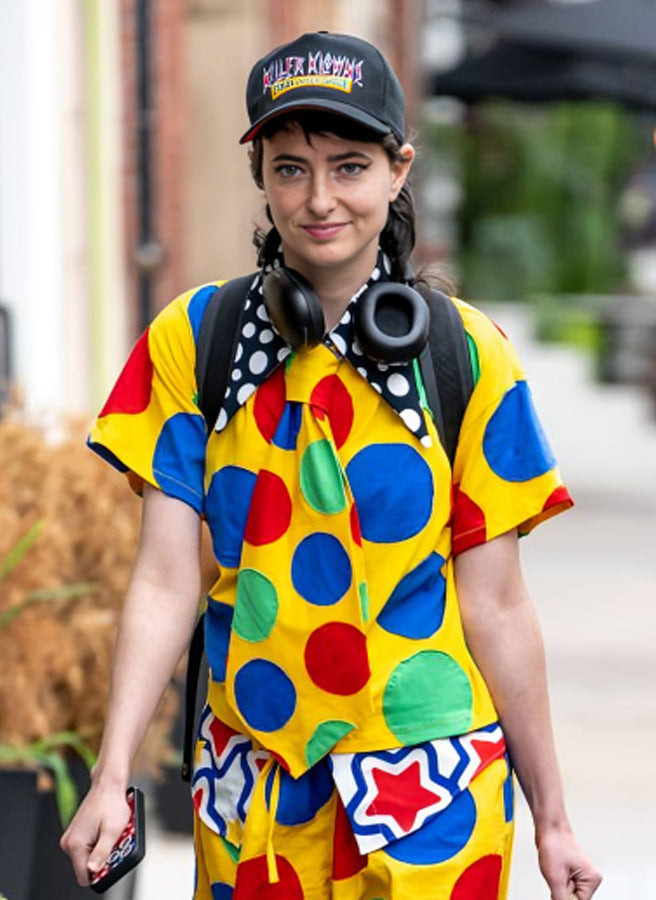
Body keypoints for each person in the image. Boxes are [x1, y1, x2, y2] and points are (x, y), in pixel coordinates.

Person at [62, 30, 602, 900]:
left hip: (437, 791)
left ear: (397, 171)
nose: (318, 198)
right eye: (288, 168)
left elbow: (495, 602)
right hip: (256, 786)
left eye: (348, 166)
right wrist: (112, 771)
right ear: (262, 178)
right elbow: (165, 579)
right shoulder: (194, 340)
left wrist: (552, 817)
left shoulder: (468, 355)